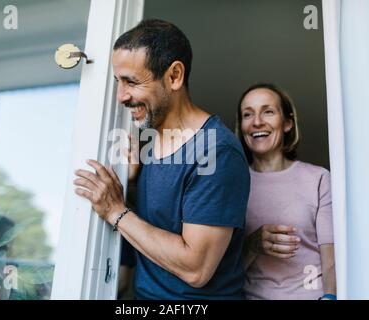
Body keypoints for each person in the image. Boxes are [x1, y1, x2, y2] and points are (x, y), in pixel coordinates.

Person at [73, 19, 250, 299]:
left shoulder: (216, 151)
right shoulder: (151, 143)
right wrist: (131, 186)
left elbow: (196, 268)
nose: (121, 96)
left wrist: (114, 211)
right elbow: (159, 223)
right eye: (118, 82)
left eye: (132, 81)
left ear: (174, 76)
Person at [236, 83, 337, 300]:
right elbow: (223, 270)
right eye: (247, 114)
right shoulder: (232, 184)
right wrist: (252, 245)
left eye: (268, 111)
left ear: (288, 123)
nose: (257, 122)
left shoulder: (318, 179)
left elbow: (330, 259)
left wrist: (330, 297)